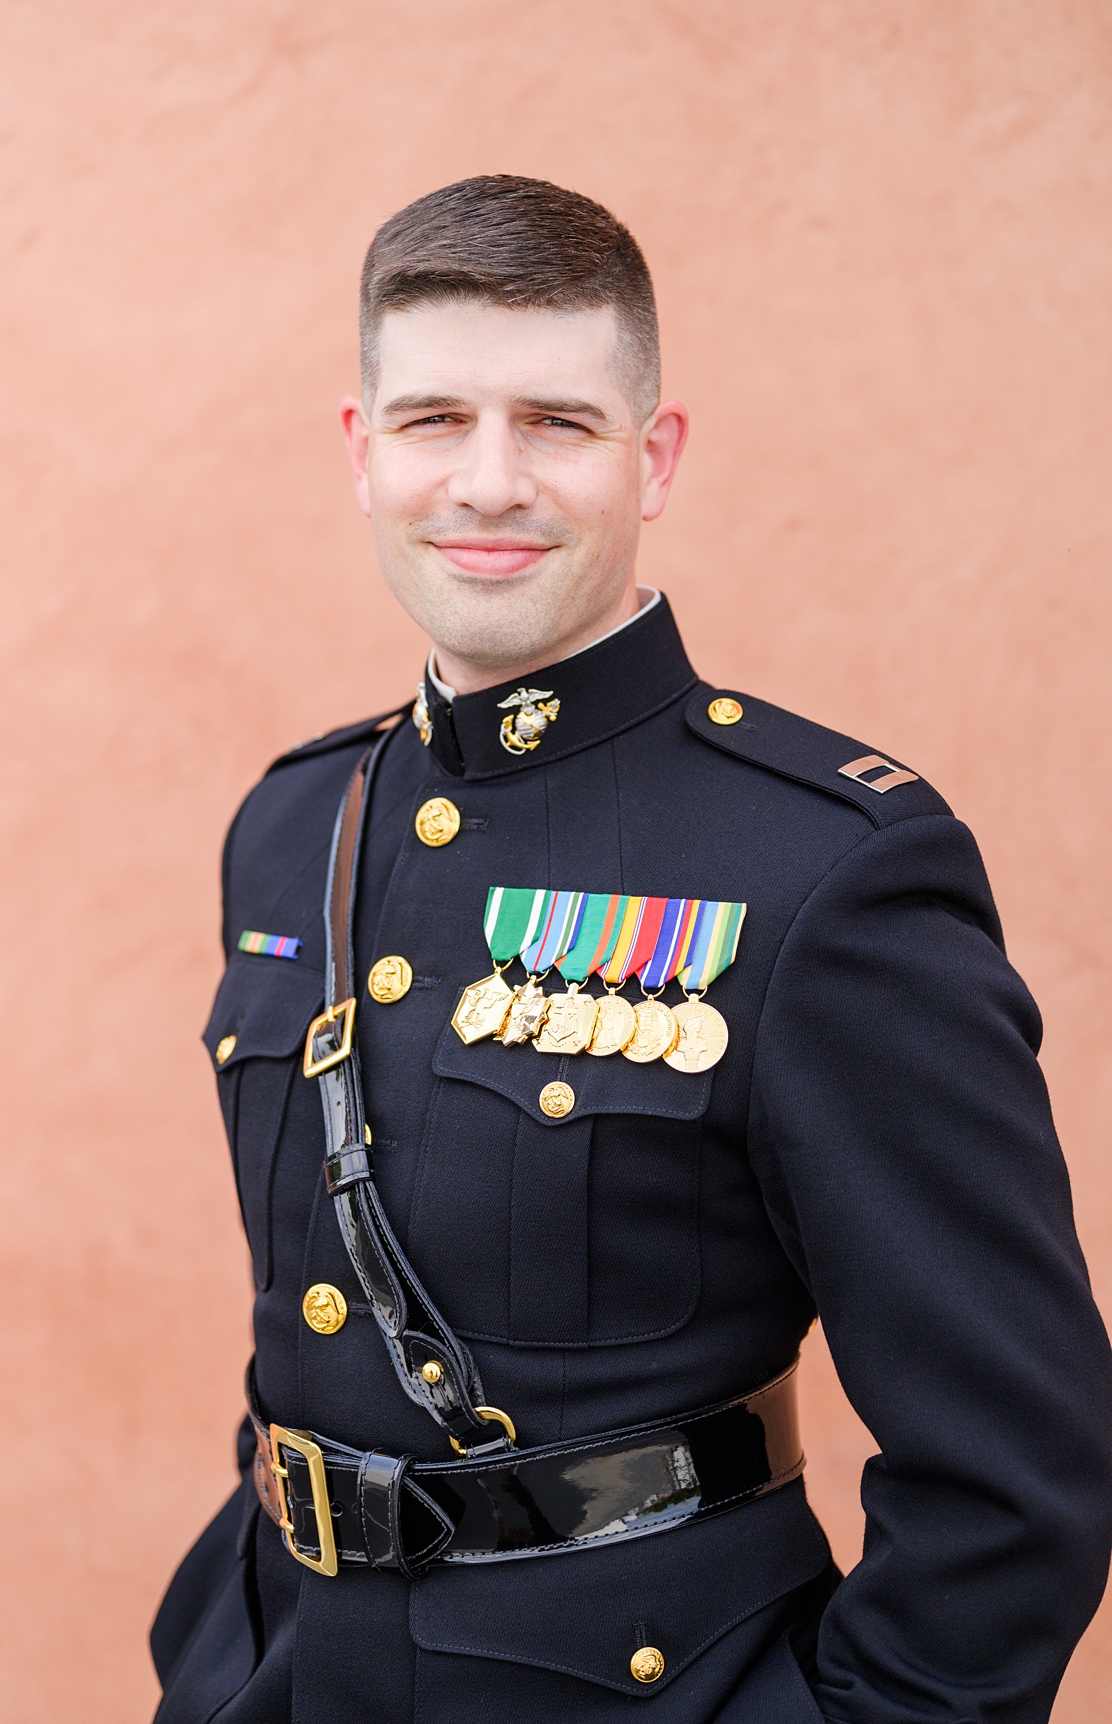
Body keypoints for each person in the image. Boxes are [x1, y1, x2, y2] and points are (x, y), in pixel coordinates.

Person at [148, 176, 1112, 1723]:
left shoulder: (821, 869)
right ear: (360, 449)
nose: (487, 480)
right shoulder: (297, 821)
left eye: (559, 424)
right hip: (274, 1672)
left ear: (653, 459)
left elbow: (1021, 1473)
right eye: (433, 420)